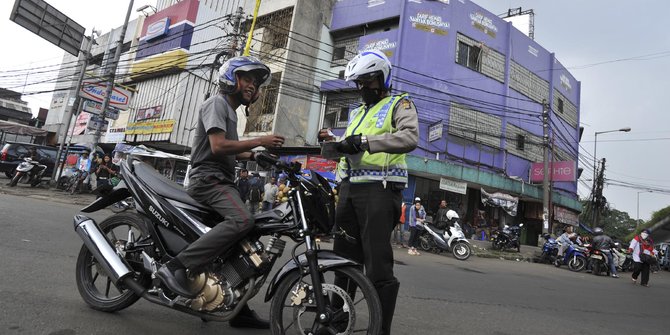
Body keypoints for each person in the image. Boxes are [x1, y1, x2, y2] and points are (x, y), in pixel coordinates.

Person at [155, 56, 285, 329]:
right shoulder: (217, 103)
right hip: (208, 181)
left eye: (255, 82)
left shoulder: (231, 113)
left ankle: (237, 308)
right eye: (247, 79)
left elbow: (232, 149)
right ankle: (176, 266)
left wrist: (258, 155)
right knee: (243, 221)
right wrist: (260, 140)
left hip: (222, 181)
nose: (252, 85)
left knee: (245, 240)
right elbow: (217, 146)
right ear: (232, 79)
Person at [318, 49, 419, 335]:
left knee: (377, 267)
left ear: (382, 78)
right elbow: (351, 149)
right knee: (343, 262)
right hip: (349, 191)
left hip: (380, 191)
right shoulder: (358, 112)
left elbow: (410, 138)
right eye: (358, 83)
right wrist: (335, 143)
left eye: (367, 82)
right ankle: (335, 322)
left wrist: (363, 141)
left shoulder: (400, 104)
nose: (362, 88)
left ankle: (380, 330)